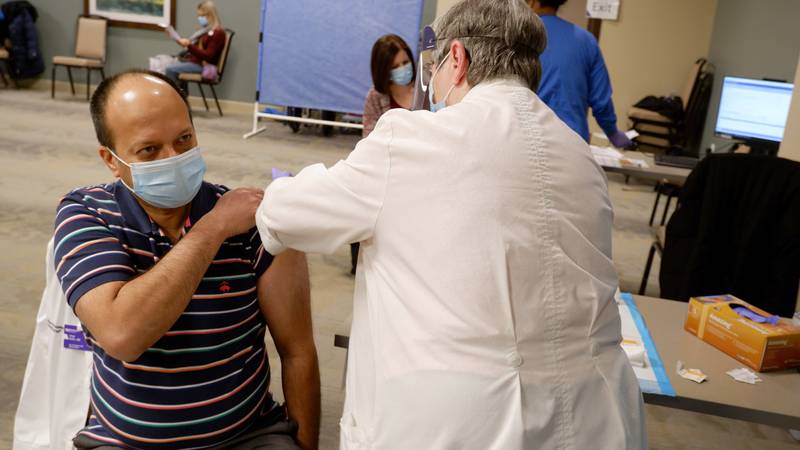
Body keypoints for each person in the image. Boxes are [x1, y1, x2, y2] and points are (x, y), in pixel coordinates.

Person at [255, 0, 645, 448]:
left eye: (434, 68)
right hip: (598, 414)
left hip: (462, 420)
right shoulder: (579, 154)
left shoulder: (411, 138)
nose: (430, 85)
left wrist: (276, 191)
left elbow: (287, 216)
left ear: (456, 59)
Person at [54, 69, 320, 450]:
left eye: (184, 140)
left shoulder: (253, 220)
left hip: (247, 436)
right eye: (149, 150)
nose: (173, 158)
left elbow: (297, 351)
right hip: (123, 442)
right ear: (111, 160)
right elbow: (122, 334)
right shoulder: (87, 213)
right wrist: (212, 230)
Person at [351, 34, 416, 274]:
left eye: (405, 63)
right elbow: (369, 140)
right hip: (390, 168)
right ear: (383, 70)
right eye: (396, 67)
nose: (403, 70)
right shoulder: (376, 98)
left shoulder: (427, 88)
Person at [529, 0, 633, 148]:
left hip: (529, 138)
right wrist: (613, 134)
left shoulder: (521, 37)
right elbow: (601, 101)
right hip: (574, 142)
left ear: (532, 2)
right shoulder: (586, 40)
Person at [164, 1, 225, 89]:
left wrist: (189, 45)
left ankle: (177, 97)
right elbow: (193, 48)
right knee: (164, 62)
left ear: (211, 15)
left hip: (202, 65)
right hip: (194, 61)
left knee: (170, 69)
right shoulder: (204, 31)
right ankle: (182, 96)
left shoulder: (218, 33)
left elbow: (208, 56)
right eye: (198, 16)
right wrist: (178, 40)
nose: (200, 18)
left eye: (202, 16)